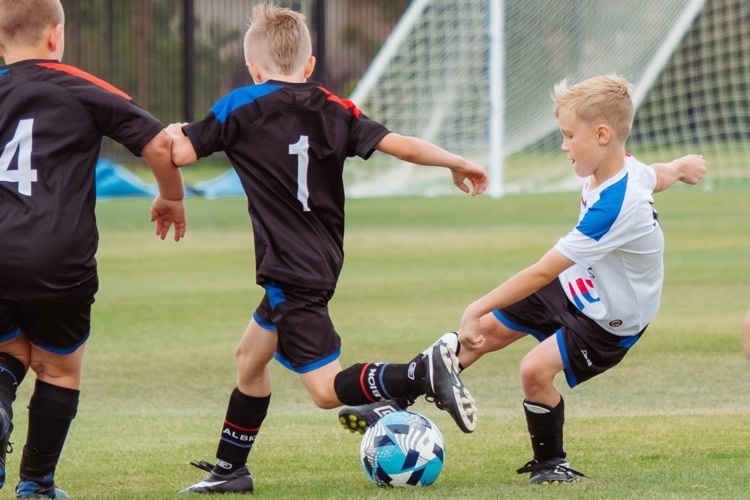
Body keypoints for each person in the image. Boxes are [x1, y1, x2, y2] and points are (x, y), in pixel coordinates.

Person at [168, 2, 487, 495]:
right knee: (249, 360)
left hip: (287, 269)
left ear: (253, 69)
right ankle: (231, 469)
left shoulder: (241, 105)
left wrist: (171, 135)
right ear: (310, 66)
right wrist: (456, 161)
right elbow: (398, 143)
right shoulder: (335, 108)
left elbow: (181, 152)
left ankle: (419, 373)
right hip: (319, 260)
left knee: (324, 391)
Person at [339, 74, 707, 484]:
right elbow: (654, 175)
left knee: (533, 370)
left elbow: (542, 271)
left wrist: (475, 306)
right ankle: (395, 400)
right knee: (487, 333)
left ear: (602, 135)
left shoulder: (616, 206)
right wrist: (681, 167)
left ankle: (552, 464)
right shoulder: (622, 171)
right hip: (579, 282)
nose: (564, 145)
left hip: (611, 319)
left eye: (569, 135)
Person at [0, 1, 187, 498]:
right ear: (55, 37)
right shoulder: (81, 87)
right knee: (58, 366)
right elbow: (159, 145)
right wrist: (171, 196)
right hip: (58, 255)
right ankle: (36, 485)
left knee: (8, 349)